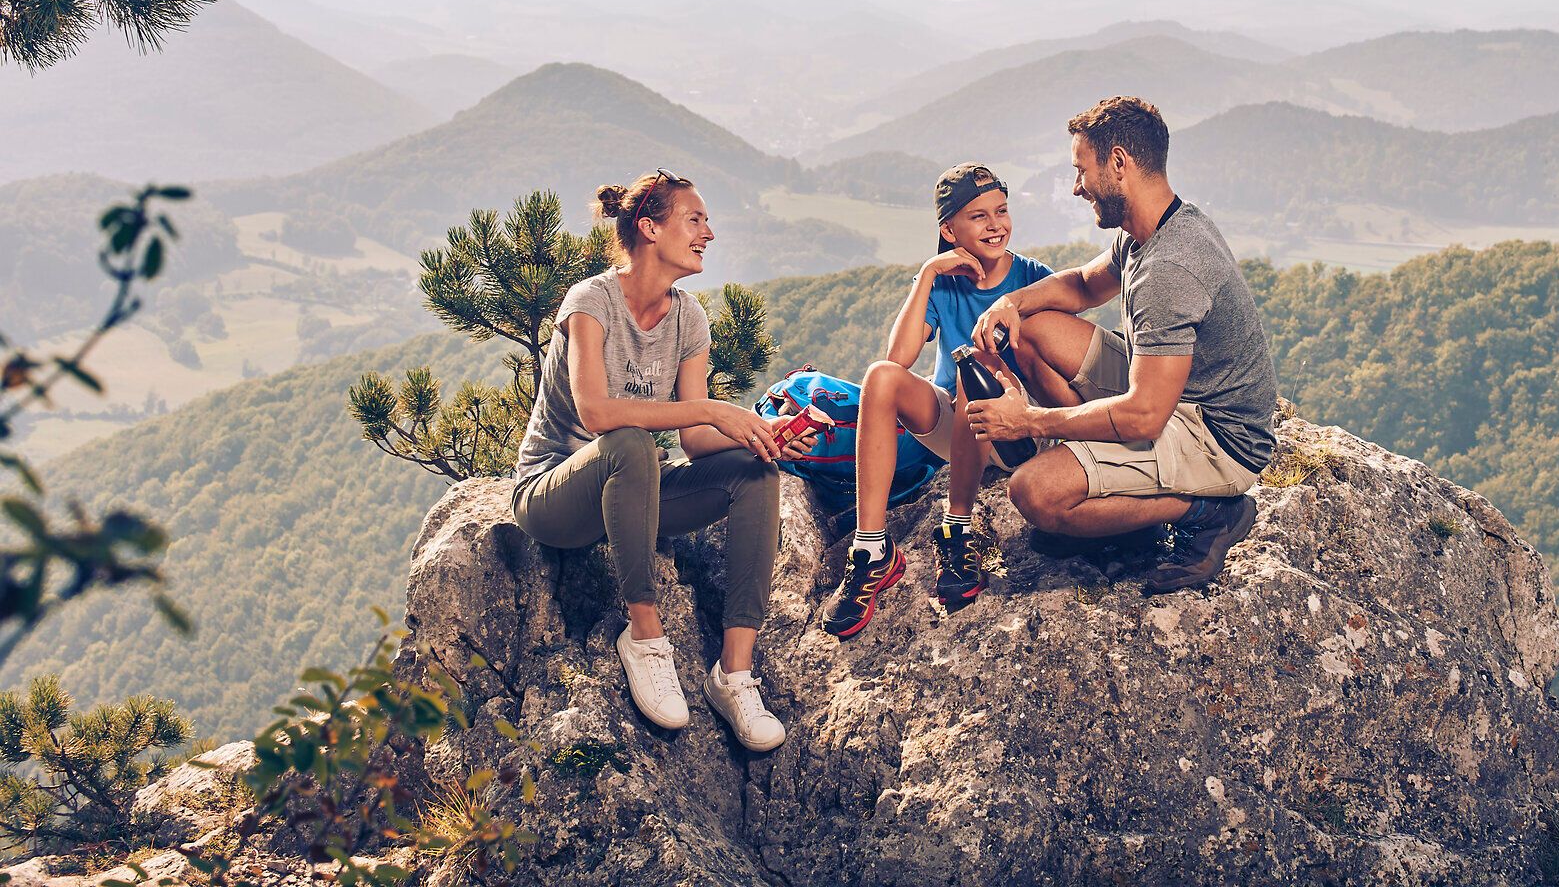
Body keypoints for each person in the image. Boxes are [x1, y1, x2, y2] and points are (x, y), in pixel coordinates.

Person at [512, 171, 809, 750]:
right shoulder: (590, 302)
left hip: (633, 491)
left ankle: (734, 673)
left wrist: (758, 433)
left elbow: (697, 437)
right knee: (629, 441)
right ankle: (644, 637)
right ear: (650, 227)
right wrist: (715, 410)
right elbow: (596, 412)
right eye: (694, 220)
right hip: (554, 493)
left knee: (756, 474)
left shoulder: (688, 317)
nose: (709, 233)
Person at [965, 97, 1281, 594]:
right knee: (1038, 328)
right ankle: (1115, 497)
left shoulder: (1169, 270)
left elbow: (1142, 418)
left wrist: (1028, 421)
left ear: (1118, 164)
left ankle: (1209, 513)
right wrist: (1011, 303)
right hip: (1167, 394)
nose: (1076, 187)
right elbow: (1084, 286)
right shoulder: (1151, 228)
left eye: (1080, 170)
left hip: (1217, 439)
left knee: (1035, 493)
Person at [820, 163, 1052, 639]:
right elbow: (898, 357)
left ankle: (959, 527)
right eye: (979, 216)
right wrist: (928, 273)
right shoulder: (943, 283)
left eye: (1002, 211)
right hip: (961, 431)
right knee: (880, 378)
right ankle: (871, 550)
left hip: (1021, 431)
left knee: (975, 368)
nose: (996, 225)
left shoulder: (1032, 277)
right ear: (949, 230)